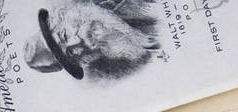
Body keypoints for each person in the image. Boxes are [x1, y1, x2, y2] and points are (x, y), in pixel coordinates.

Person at [25, 0, 161, 81]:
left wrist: (131, 33)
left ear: (61, 17)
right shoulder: (121, 54)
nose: (76, 40)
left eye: (64, 35)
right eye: (71, 52)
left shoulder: (88, 9)